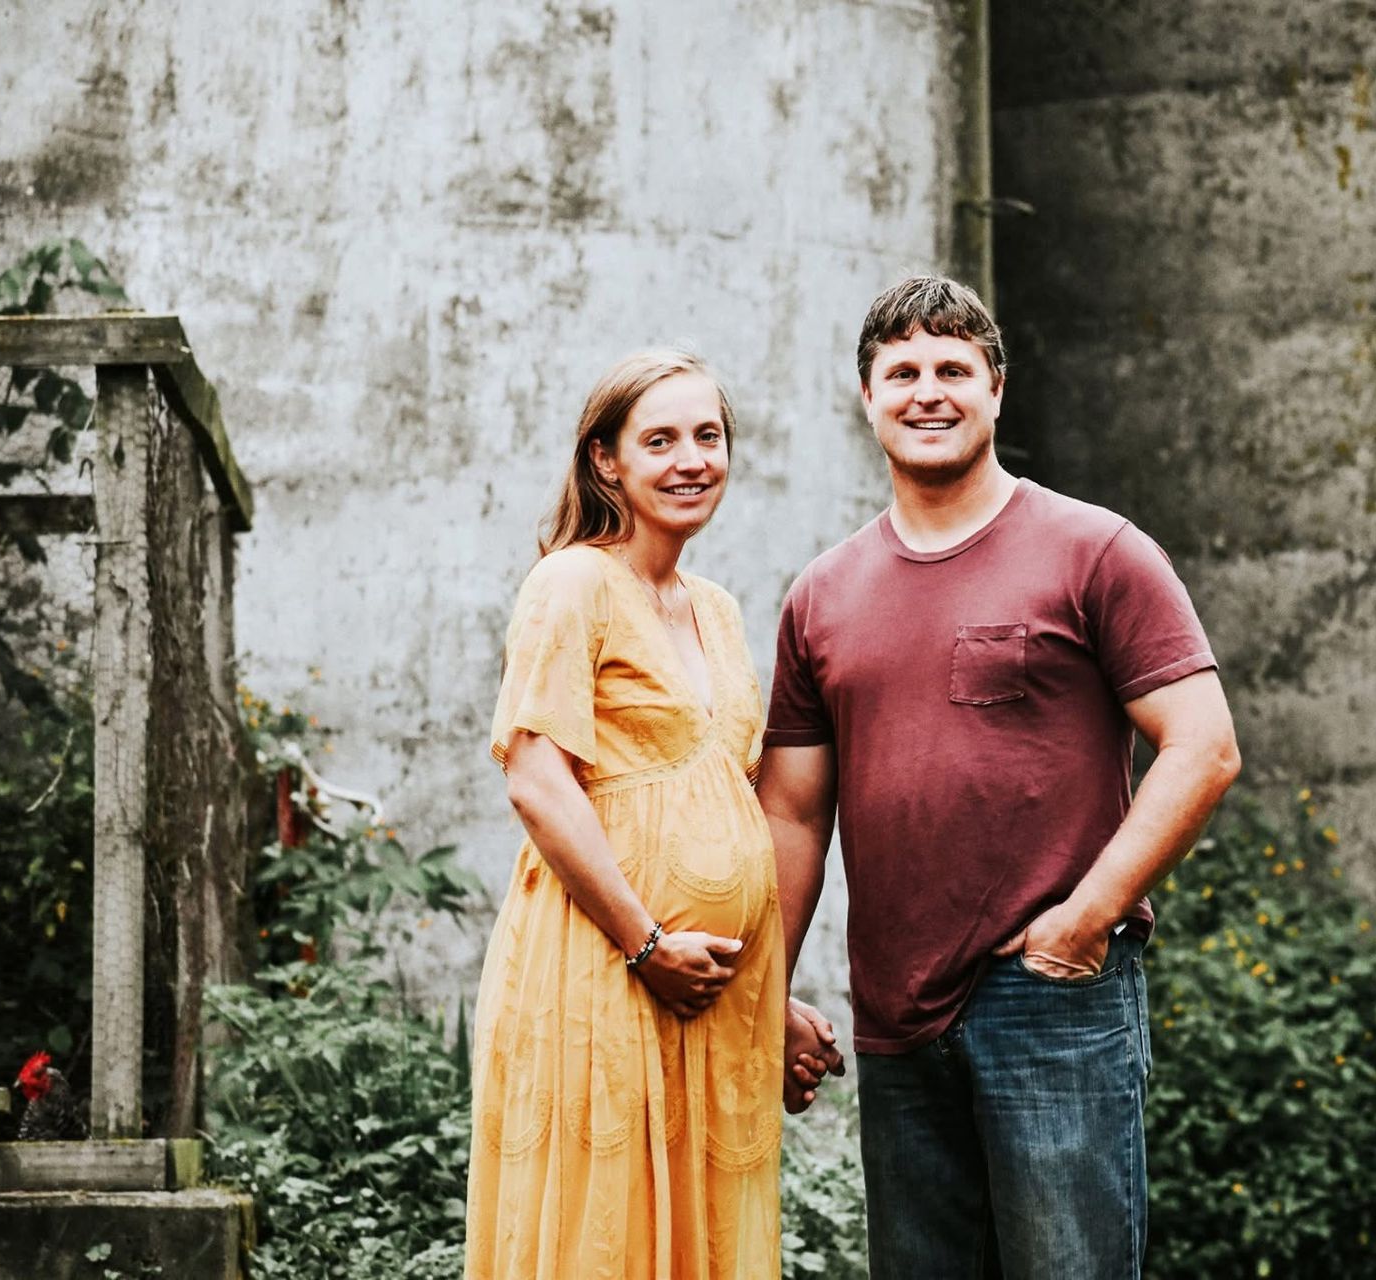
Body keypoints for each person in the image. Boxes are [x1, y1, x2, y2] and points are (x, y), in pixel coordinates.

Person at [760, 277, 1242, 1277]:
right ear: (866, 397)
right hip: (893, 1017)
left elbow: (1203, 745)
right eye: (902, 372)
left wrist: (1089, 915)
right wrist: (767, 988)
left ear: (996, 390)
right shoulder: (822, 594)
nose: (926, 392)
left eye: (952, 369)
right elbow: (793, 811)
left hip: (1051, 996)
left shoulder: (1095, 549)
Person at [468, 350, 816, 1279]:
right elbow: (538, 780)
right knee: (608, 1234)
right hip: (604, 967)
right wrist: (646, 941)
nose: (691, 459)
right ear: (606, 462)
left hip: (707, 994)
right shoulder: (572, 585)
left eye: (709, 436)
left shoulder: (720, 610)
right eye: (658, 439)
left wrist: (769, 993)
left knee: (696, 1235)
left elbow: (734, 801)